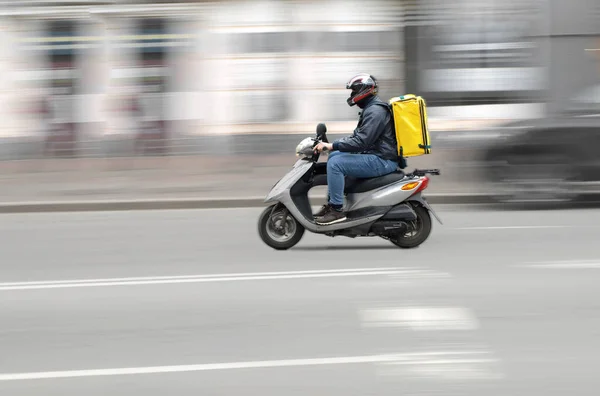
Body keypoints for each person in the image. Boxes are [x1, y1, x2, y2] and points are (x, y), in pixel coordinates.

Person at [313, 73, 400, 225]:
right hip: (376, 155)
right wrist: (334, 146)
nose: (352, 94)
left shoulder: (375, 111)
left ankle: (336, 210)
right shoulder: (371, 108)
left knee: (336, 164)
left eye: (354, 91)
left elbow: (361, 141)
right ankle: (332, 203)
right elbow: (358, 138)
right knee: (334, 157)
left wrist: (332, 145)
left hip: (382, 160)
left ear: (364, 90)